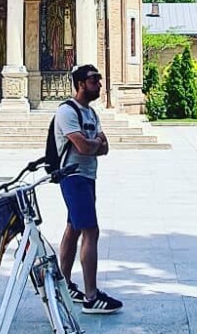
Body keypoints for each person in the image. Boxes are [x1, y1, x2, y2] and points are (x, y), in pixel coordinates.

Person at [55, 64, 123, 314]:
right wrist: (94, 144)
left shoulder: (91, 113)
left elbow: (103, 147)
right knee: (90, 231)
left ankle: (63, 283)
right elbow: (84, 147)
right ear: (80, 84)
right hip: (73, 177)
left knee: (73, 228)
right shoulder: (67, 111)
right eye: (94, 80)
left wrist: (93, 144)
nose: (99, 84)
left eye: (100, 80)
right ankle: (91, 296)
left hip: (87, 176)